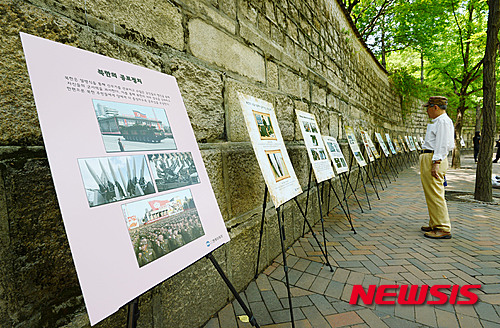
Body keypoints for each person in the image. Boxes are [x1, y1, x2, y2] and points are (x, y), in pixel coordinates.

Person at [420, 96, 455, 239]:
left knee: (435, 193)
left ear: (435, 107)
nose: (427, 111)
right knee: (431, 192)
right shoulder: (439, 121)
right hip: (430, 157)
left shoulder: (443, 121)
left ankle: (442, 227)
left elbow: (442, 144)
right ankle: (435, 222)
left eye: (428, 107)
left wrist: (436, 162)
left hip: (434, 158)